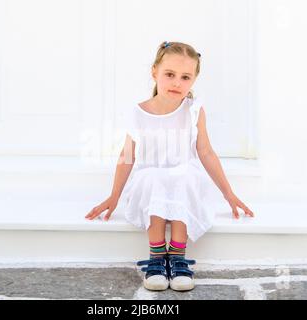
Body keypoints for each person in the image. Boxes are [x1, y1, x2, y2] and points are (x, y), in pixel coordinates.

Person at [85, 41, 255, 292]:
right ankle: (156, 257)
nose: (177, 82)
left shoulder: (194, 111)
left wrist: (228, 193)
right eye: (170, 74)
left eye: (185, 77)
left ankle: (177, 257)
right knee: (154, 176)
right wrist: (114, 196)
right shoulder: (138, 112)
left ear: (194, 80)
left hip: (183, 179)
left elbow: (205, 152)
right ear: (155, 72)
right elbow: (127, 155)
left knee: (183, 175)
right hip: (150, 181)